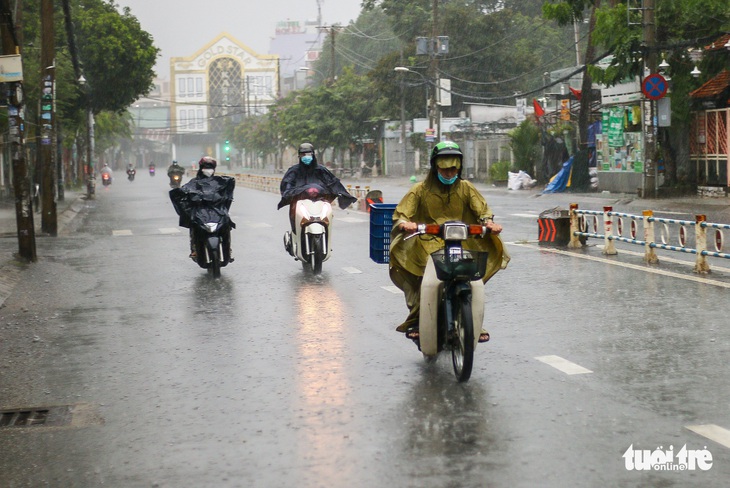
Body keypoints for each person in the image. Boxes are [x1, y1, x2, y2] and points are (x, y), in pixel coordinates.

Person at [388, 141, 510, 342]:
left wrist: (489, 222)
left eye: (453, 168)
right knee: (422, 283)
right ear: (435, 166)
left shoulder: (466, 188)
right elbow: (402, 214)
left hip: (461, 241)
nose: (448, 173)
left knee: (473, 280)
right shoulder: (419, 189)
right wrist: (404, 223)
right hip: (425, 244)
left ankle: (474, 323)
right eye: (444, 168)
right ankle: (418, 320)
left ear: (459, 167)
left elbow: (482, 211)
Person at [277, 143, 357, 251]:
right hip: (300, 204)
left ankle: (326, 240)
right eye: (303, 154)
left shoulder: (321, 170)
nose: (306, 157)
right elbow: (287, 185)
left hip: (319, 203)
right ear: (299, 156)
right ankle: (294, 238)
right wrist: (290, 192)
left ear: (313, 155)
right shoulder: (294, 171)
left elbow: (333, 183)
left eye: (308, 154)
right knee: (293, 212)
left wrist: (342, 193)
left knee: (328, 215)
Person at [171, 156, 236, 260]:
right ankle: (194, 249)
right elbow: (184, 191)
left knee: (226, 224)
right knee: (193, 225)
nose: (208, 169)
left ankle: (227, 249)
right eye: (206, 167)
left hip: (217, 212)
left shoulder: (220, 181)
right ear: (201, 168)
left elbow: (228, 189)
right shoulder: (194, 183)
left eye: (210, 167)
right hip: (200, 212)